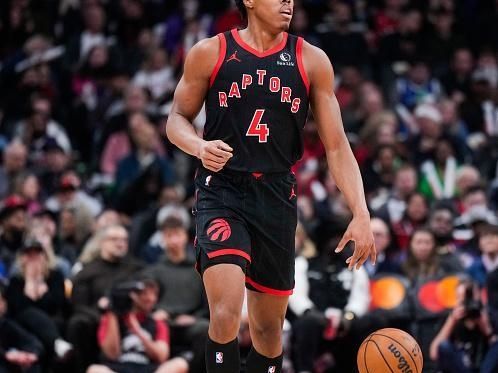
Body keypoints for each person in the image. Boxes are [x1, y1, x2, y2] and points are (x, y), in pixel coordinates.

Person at [165, 0, 376, 372]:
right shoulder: (210, 52)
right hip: (223, 189)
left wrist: (360, 212)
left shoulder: (311, 60)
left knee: (267, 331)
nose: (287, 2)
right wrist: (198, 146)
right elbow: (176, 118)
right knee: (228, 312)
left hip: (277, 195)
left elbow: (337, 145)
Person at [87, 278, 188, 373]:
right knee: (94, 370)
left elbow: (161, 356)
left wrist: (136, 329)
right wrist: (113, 314)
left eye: (154, 294)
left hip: (148, 368)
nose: (151, 298)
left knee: (180, 363)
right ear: (133, 295)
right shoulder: (110, 318)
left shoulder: (158, 323)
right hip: (119, 367)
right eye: (145, 293)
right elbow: (112, 354)